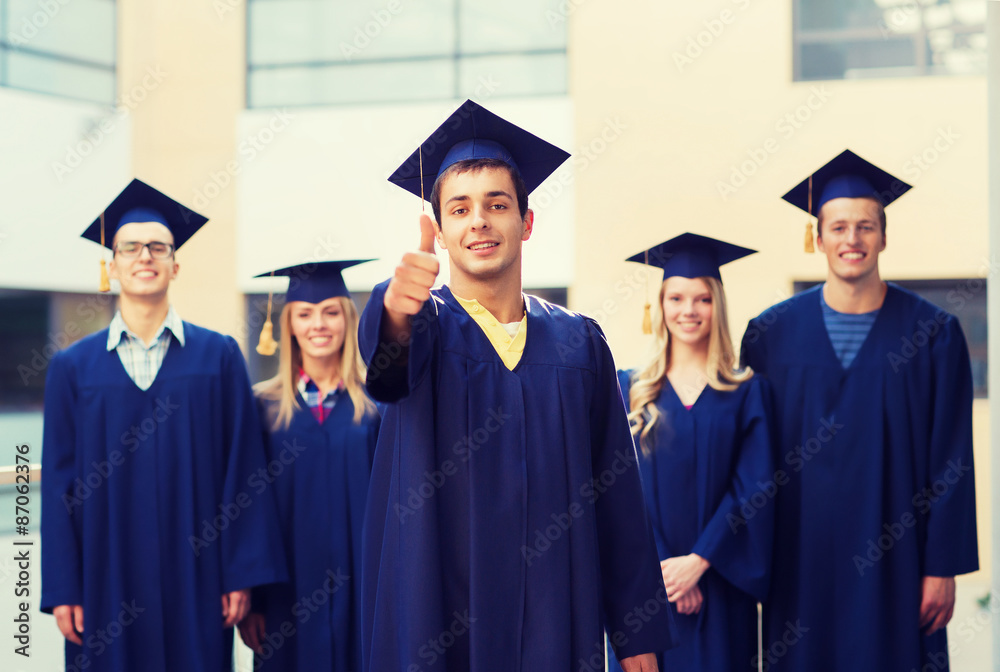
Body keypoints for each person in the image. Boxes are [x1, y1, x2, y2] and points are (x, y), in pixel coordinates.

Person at [358, 100, 673, 672]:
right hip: (439, 624)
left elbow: (617, 503)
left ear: (526, 223)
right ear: (443, 234)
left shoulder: (579, 345)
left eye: (496, 204)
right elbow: (387, 367)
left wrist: (638, 642)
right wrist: (394, 310)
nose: (478, 220)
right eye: (459, 209)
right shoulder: (426, 328)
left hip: (554, 627)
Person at [740, 150, 978, 671]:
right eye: (839, 227)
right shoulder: (769, 336)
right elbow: (748, 463)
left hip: (899, 559)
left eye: (865, 227)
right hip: (799, 559)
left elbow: (952, 458)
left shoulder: (933, 336)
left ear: (884, 237)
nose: (852, 239)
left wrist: (942, 568)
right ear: (818, 237)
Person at [41, 179, 288, 672]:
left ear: (176, 263)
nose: (144, 257)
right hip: (103, 579)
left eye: (158, 246)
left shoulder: (218, 356)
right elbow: (58, 484)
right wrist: (64, 586)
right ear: (111, 265)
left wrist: (241, 575)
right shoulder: (73, 367)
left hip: (198, 575)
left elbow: (243, 469)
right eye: (130, 247)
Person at [607, 233, 773, 672]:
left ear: (717, 305)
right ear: (659, 305)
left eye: (702, 299)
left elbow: (753, 487)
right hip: (647, 588)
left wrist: (699, 562)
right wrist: (666, 569)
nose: (689, 310)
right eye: (676, 297)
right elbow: (618, 492)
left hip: (721, 583)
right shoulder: (630, 390)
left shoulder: (745, 391)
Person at [238, 260, 380, 671]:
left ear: (348, 320)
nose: (318, 324)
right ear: (289, 325)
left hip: (362, 588)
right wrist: (254, 599)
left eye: (331, 312)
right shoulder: (261, 408)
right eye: (305, 314)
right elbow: (249, 513)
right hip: (287, 595)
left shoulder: (378, 405)